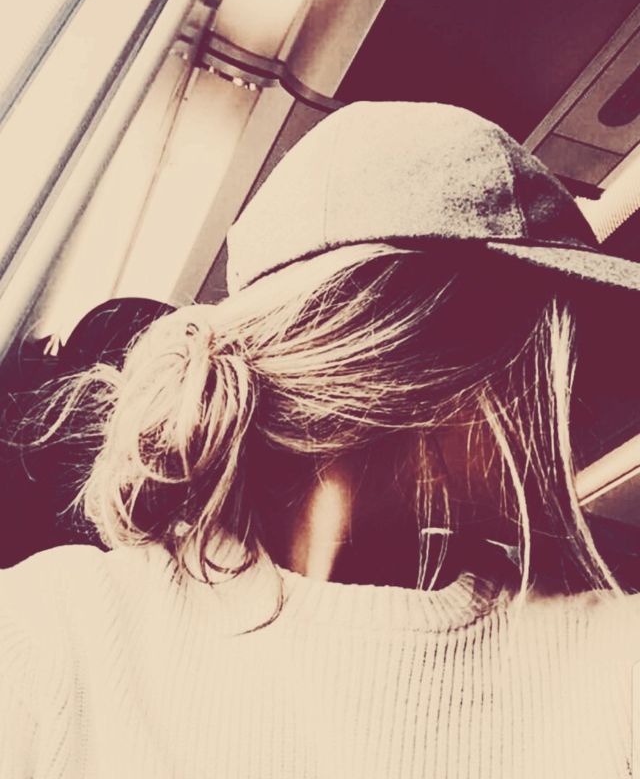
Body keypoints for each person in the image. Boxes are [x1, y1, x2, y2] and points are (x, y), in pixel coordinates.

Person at [1, 102, 639, 778]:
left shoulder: (619, 658)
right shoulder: (46, 632)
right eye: (558, 348)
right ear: (405, 349)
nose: (577, 399)